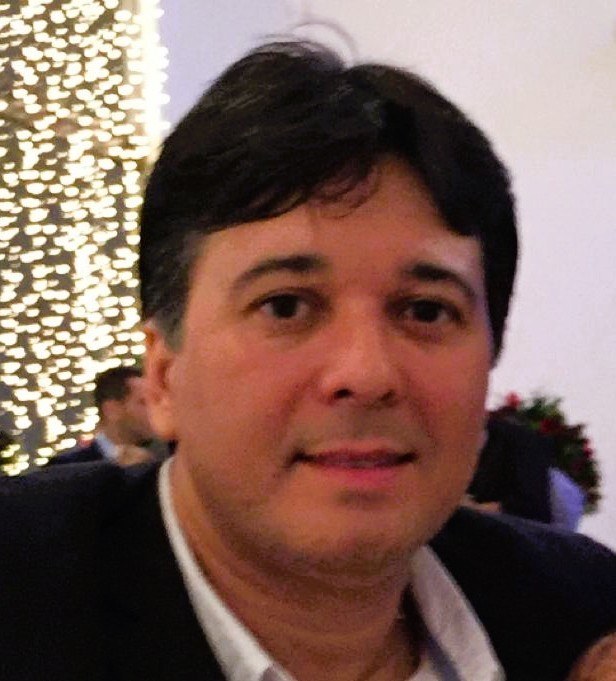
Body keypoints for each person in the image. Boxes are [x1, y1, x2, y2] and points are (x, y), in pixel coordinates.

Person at [1, 40, 615, 681]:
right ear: (162, 378)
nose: (366, 375)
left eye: (427, 311)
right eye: (286, 306)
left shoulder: (578, 614)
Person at [47, 365, 159, 466]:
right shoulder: (66, 466)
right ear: (112, 410)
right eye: (144, 403)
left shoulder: (163, 460)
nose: (155, 409)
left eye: (155, 401)